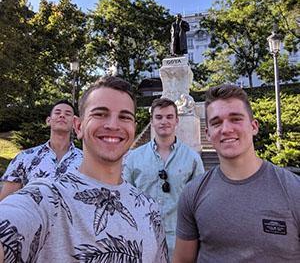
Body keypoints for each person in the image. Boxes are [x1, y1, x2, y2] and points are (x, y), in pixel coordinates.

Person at [0, 76, 168, 262]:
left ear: (134, 129)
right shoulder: (46, 198)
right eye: (100, 114)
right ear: (78, 126)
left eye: (124, 117)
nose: (113, 125)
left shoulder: (149, 208)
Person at [173, 84, 300, 262]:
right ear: (208, 134)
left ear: (254, 126)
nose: (226, 129)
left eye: (236, 119)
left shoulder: (294, 190)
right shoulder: (192, 193)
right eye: (216, 122)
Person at [123, 97, 204, 259]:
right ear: (152, 121)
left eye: (169, 117)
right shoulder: (133, 158)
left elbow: (200, 202)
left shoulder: (192, 158)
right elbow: (125, 199)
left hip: (181, 239)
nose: (164, 121)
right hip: (142, 236)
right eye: (158, 117)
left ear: (176, 120)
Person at [0, 100, 83, 200]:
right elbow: (5, 202)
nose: (62, 115)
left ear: (75, 123)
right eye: (57, 112)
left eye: (68, 114)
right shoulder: (24, 157)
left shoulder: (86, 161)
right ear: (48, 120)